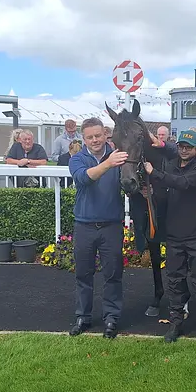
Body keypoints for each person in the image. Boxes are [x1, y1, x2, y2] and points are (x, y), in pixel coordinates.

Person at [144, 131, 196, 345]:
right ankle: (176, 322)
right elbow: (166, 193)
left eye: (188, 147)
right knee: (174, 281)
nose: (184, 150)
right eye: (181, 146)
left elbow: (183, 183)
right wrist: (150, 193)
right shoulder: (171, 165)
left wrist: (154, 173)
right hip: (174, 235)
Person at [68, 117, 128, 339]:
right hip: (84, 225)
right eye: (90, 137)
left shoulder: (118, 156)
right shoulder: (77, 159)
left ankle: (111, 318)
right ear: (84, 139)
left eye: (98, 135)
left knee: (113, 274)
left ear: (105, 134)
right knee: (83, 274)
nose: (95, 140)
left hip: (111, 225)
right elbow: (84, 178)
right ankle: (83, 317)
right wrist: (108, 164)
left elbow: (129, 182)